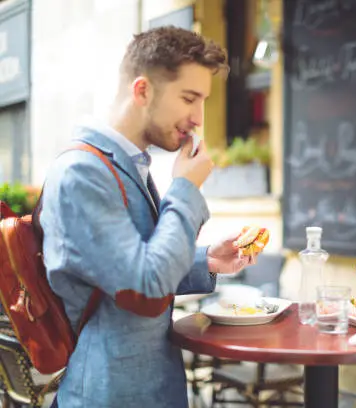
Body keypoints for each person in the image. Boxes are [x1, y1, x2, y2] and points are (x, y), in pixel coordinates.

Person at [41, 27, 254, 408]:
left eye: (203, 100)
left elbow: (129, 267)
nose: (199, 117)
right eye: (189, 98)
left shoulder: (128, 165)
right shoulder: (82, 173)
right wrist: (186, 190)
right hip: (110, 395)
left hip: (150, 388)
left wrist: (206, 260)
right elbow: (144, 286)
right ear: (142, 91)